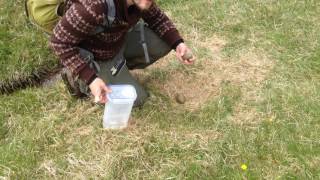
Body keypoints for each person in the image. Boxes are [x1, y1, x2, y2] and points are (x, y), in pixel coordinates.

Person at [50, 0, 195, 107]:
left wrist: (178, 44)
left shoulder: (142, 2)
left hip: (117, 43)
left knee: (165, 42)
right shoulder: (93, 6)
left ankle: (119, 71)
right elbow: (59, 41)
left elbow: (157, 18)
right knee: (137, 100)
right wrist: (90, 78)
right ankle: (78, 79)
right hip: (96, 57)